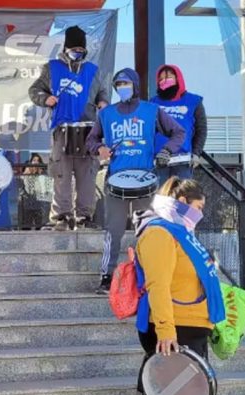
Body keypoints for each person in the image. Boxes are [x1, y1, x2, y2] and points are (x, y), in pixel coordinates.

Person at [134, 177, 240, 395]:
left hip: (192, 324)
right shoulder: (159, 233)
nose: (200, 213)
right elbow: (158, 285)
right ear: (180, 202)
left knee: (182, 394)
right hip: (174, 327)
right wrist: (166, 331)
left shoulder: (180, 231)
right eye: (198, 207)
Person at [86, 68, 185, 294]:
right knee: (113, 230)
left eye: (126, 83)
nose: (122, 88)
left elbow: (178, 132)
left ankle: (149, 276)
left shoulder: (152, 110)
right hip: (115, 180)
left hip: (145, 180)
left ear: (135, 85)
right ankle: (107, 276)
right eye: (118, 85)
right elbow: (90, 140)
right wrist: (99, 148)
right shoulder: (106, 114)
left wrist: (166, 151)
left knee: (148, 230)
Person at [28, 25, 108, 231]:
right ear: (65, 49)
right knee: (61, 174)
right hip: (62, 129)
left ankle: (84, 216)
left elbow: (102, 91)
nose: (77, 53)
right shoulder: (52, 68)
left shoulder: (92, 70)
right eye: (74, 49)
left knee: (87, 176)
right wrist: (46, 99)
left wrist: (103, 102)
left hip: (88, 129)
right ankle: (61, 216)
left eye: (81, 49)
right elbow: (34, 90)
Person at [150, 64, 208, 182]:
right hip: (159, 161)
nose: (164, 81)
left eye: (169, 77)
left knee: (181, 193)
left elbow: (201, 129)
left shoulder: (194, 101)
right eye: (161, 79)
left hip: (183, 161)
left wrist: (196, 153)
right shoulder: (153, 102)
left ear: (178, 78)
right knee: (161, 194)